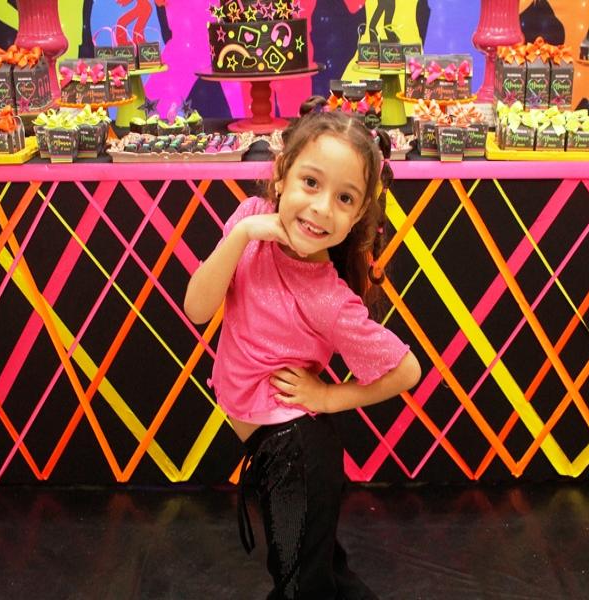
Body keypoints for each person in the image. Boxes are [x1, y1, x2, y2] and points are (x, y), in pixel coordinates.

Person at [184, 97, 421, 598]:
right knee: (323, 573)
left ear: (359, 215)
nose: (320, 208)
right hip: (275, 451)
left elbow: (407, 371)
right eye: (311, 183)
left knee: (300, 584)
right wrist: (242, 235)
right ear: (281, 175)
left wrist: (328, 397)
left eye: (345, 198)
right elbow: (198, 308)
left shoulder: (329, 299)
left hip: (297, 456)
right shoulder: (250, 220)